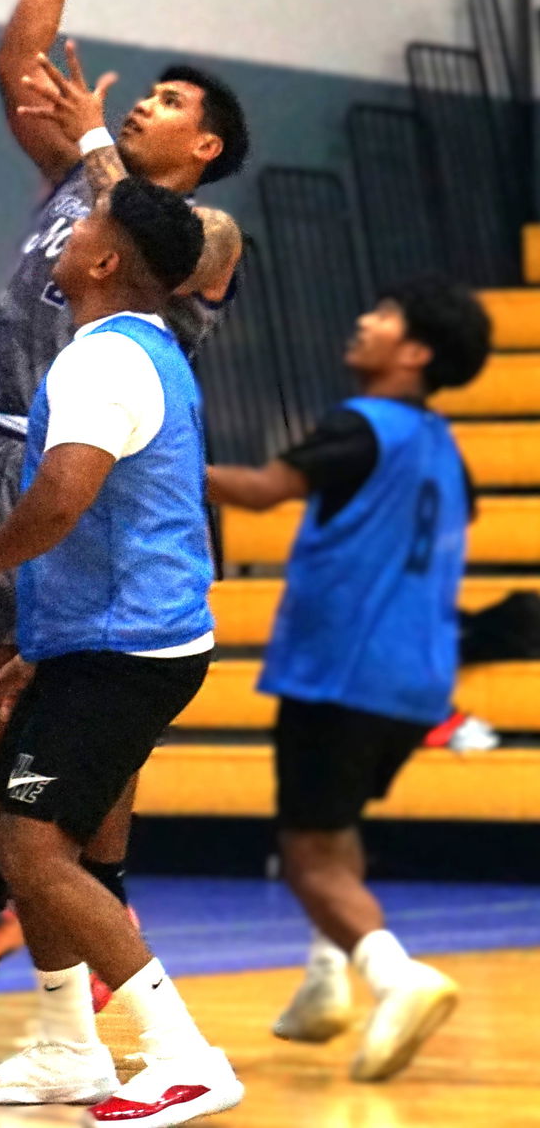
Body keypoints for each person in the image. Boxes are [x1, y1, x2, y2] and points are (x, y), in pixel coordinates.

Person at [0, 0, 249, 1012]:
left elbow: (167, 247)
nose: (141, 105)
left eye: (168, 100)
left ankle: (100, 892)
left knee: (83, 697)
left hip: (105, 483)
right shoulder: (74, 183)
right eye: (143, 94)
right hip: (6, 451)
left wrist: (94, 155)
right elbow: (17, 64)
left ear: (205, 146)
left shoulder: (206, 230)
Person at [0, 178, 243, 1127]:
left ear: (105, 261)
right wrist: (48, 644)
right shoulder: (136, 349)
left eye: (82, 226)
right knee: (28, 844)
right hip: (103, 639)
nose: (62, 236)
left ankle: (185, 1055)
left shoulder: (101, 362)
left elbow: (64, 498)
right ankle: (70, 1047)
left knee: (32, 842)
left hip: (127, 645)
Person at [206, 276, 490, 1083]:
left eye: (386, 315)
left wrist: (156, 461)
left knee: (306, 853)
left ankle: (395, 976)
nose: (365, 319)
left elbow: (265, 492)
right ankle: (326, 981)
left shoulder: (362, 425)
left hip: (343, 669)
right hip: (418, 677)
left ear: (415, 352)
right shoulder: (447, 449)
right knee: (337, 832)